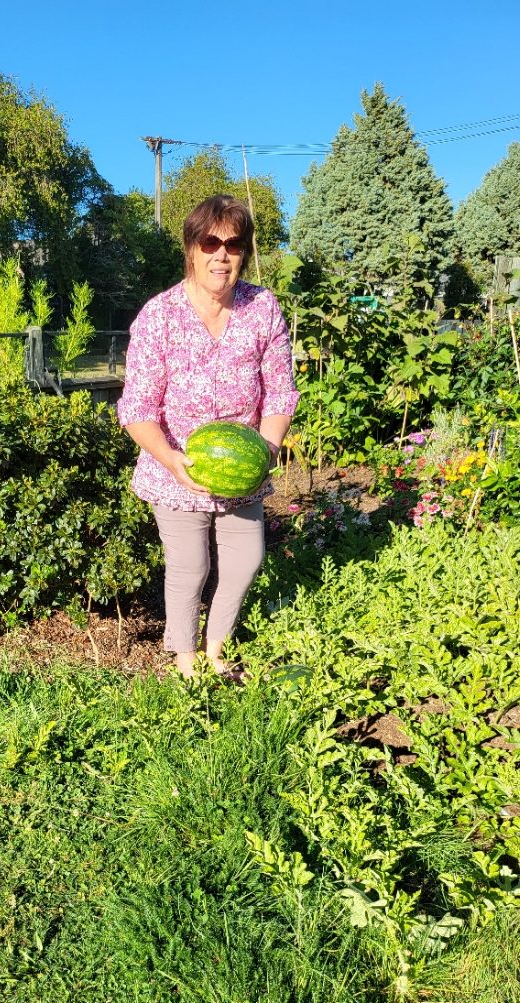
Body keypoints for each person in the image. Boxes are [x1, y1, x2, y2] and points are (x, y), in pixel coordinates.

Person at [116, 194, 299, 679]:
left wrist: (267, 448)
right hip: (177, 466)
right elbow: (136, 408)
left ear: (245, 250)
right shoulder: (159, 316)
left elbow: (281, 391)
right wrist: (172, 460)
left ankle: (216, 646)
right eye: (210, 242)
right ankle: (185, 657)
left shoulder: (263, 308)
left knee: (246, 559)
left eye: (234, 244)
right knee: (189, 566)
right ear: (191, 249)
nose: (222, 254)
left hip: (244, 465)